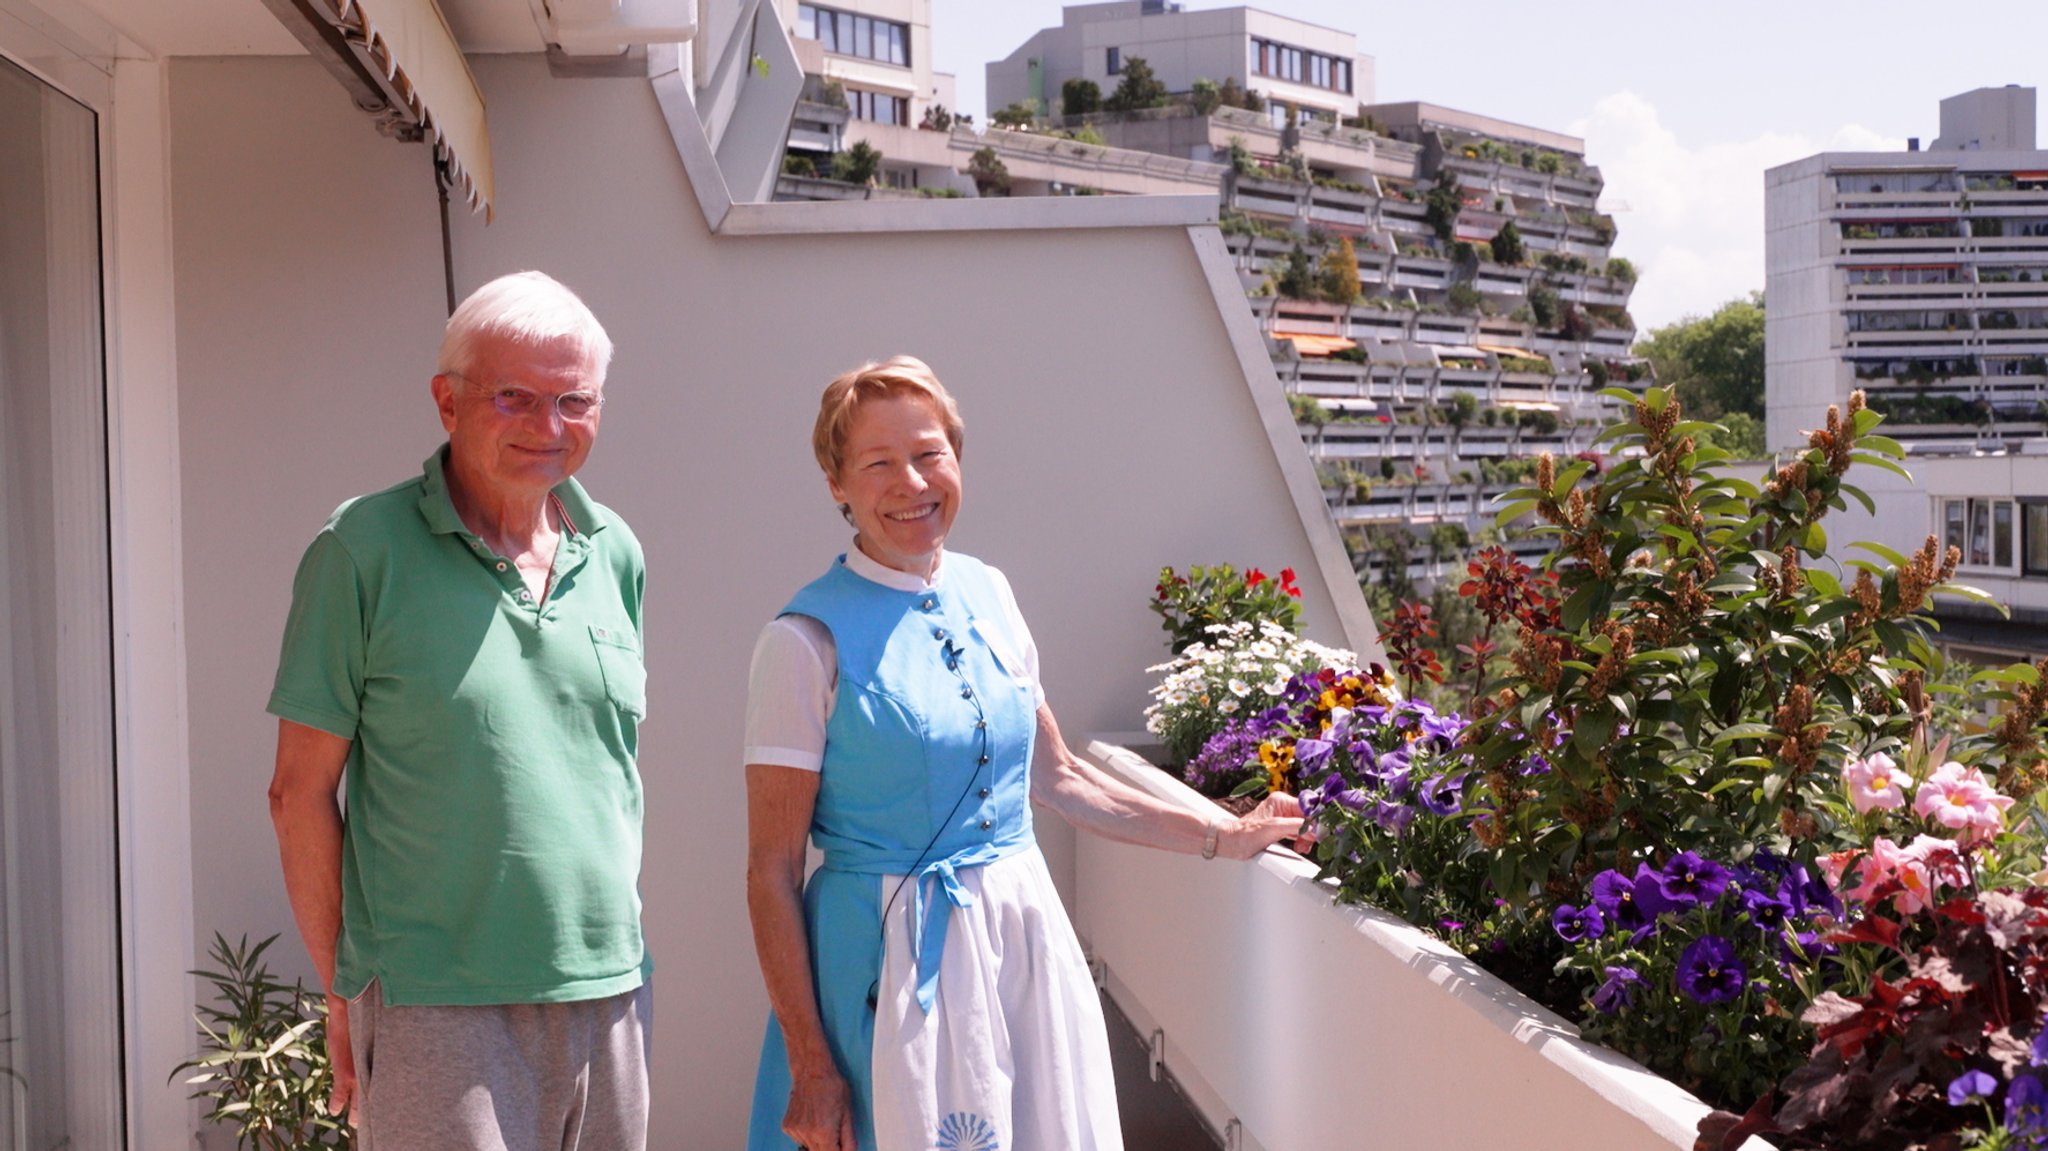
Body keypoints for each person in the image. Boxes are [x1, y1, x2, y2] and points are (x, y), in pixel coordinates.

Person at [743, 356, 1305, 1151]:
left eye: (930, 452)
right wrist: (811, 1061)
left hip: (1021, 940)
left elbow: (1061, 777)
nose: (912, 481)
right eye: (878, 462)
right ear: (837, 483)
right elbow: (770, 867)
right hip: (884, 961)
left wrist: (1224, 831)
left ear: (958, 458)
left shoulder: (990, 592)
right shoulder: (803, 641)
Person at [266, 271, 652, 1150]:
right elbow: (297, 793)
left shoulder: (615, 551)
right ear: (447, 401)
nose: (547, 426)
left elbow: (603, 770)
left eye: (573, 400)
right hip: (436, 1001)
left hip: (610, 990)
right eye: (513, 396)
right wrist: (343, 987)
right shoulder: (361, 551)